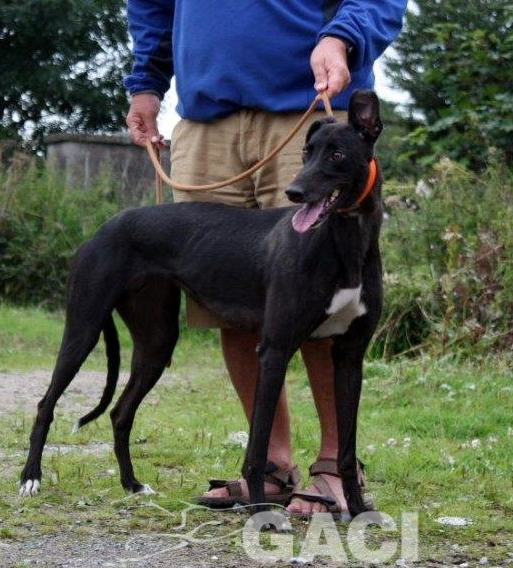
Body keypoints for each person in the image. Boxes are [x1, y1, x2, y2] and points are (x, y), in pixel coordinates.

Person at [125, 1, 405, 516]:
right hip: (206, 117)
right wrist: (146, 81)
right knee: (234, 305)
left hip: (308, 110)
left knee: (328, 305)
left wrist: (341, 36)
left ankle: (334, 468)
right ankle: (273, 467)